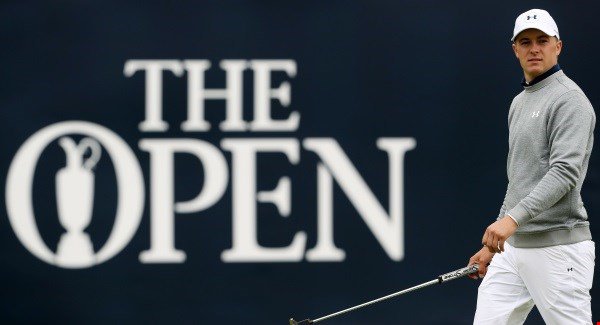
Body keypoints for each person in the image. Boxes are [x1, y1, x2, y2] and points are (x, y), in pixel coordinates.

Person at [468, 8, 596, 324]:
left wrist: (511, 221)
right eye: (525, 42)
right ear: (515, 49)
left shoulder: (570, 100)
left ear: (558, 46)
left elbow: (565, 173)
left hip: (559, 249)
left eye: (542, 40)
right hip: (512, 251)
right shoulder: (519, 102)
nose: (534, 48)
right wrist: (494, 243)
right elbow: (520, 180)